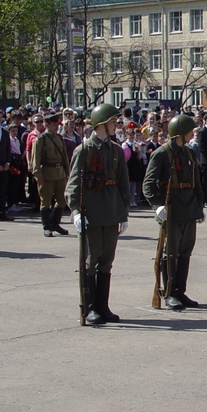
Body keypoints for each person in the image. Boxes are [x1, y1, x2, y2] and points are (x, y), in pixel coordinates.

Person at [65, 104, 131, 325]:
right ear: (101, 123)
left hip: (111, 211)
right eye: (113, 121)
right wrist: (75, 211)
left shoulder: (115, 150)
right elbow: (73, 185)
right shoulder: (84, 150)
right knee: (90, 261)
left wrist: (123, 213)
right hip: (92, 211)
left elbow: (123, 183)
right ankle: (91, 307)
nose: (116, 125)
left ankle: (103, 306)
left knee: (106, 261)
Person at [143, 113, 205, 310]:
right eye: (189, 131)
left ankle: (180, 291)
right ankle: (169, 292)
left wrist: (199, 206)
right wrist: (157, 205)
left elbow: (196, 182)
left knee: (185, 252)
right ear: (179, 133)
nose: (191, 135)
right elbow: (148, 183)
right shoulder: (162, 153)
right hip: (172, 210)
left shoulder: (188, 153)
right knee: (170, 252)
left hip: (189, 209)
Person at [30, 112, 71, 237]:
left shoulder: (59, 138)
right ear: (46, 124)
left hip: (59, 174)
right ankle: (47, 226)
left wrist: (68, 173)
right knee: (45, 201)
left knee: (62, 201)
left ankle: (55, 223)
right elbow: (35, 159)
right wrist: (38, 175)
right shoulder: (40, 140)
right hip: (46, 174)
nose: (56, 126)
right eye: (53, 124)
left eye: (57, 124)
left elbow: (64, 157)